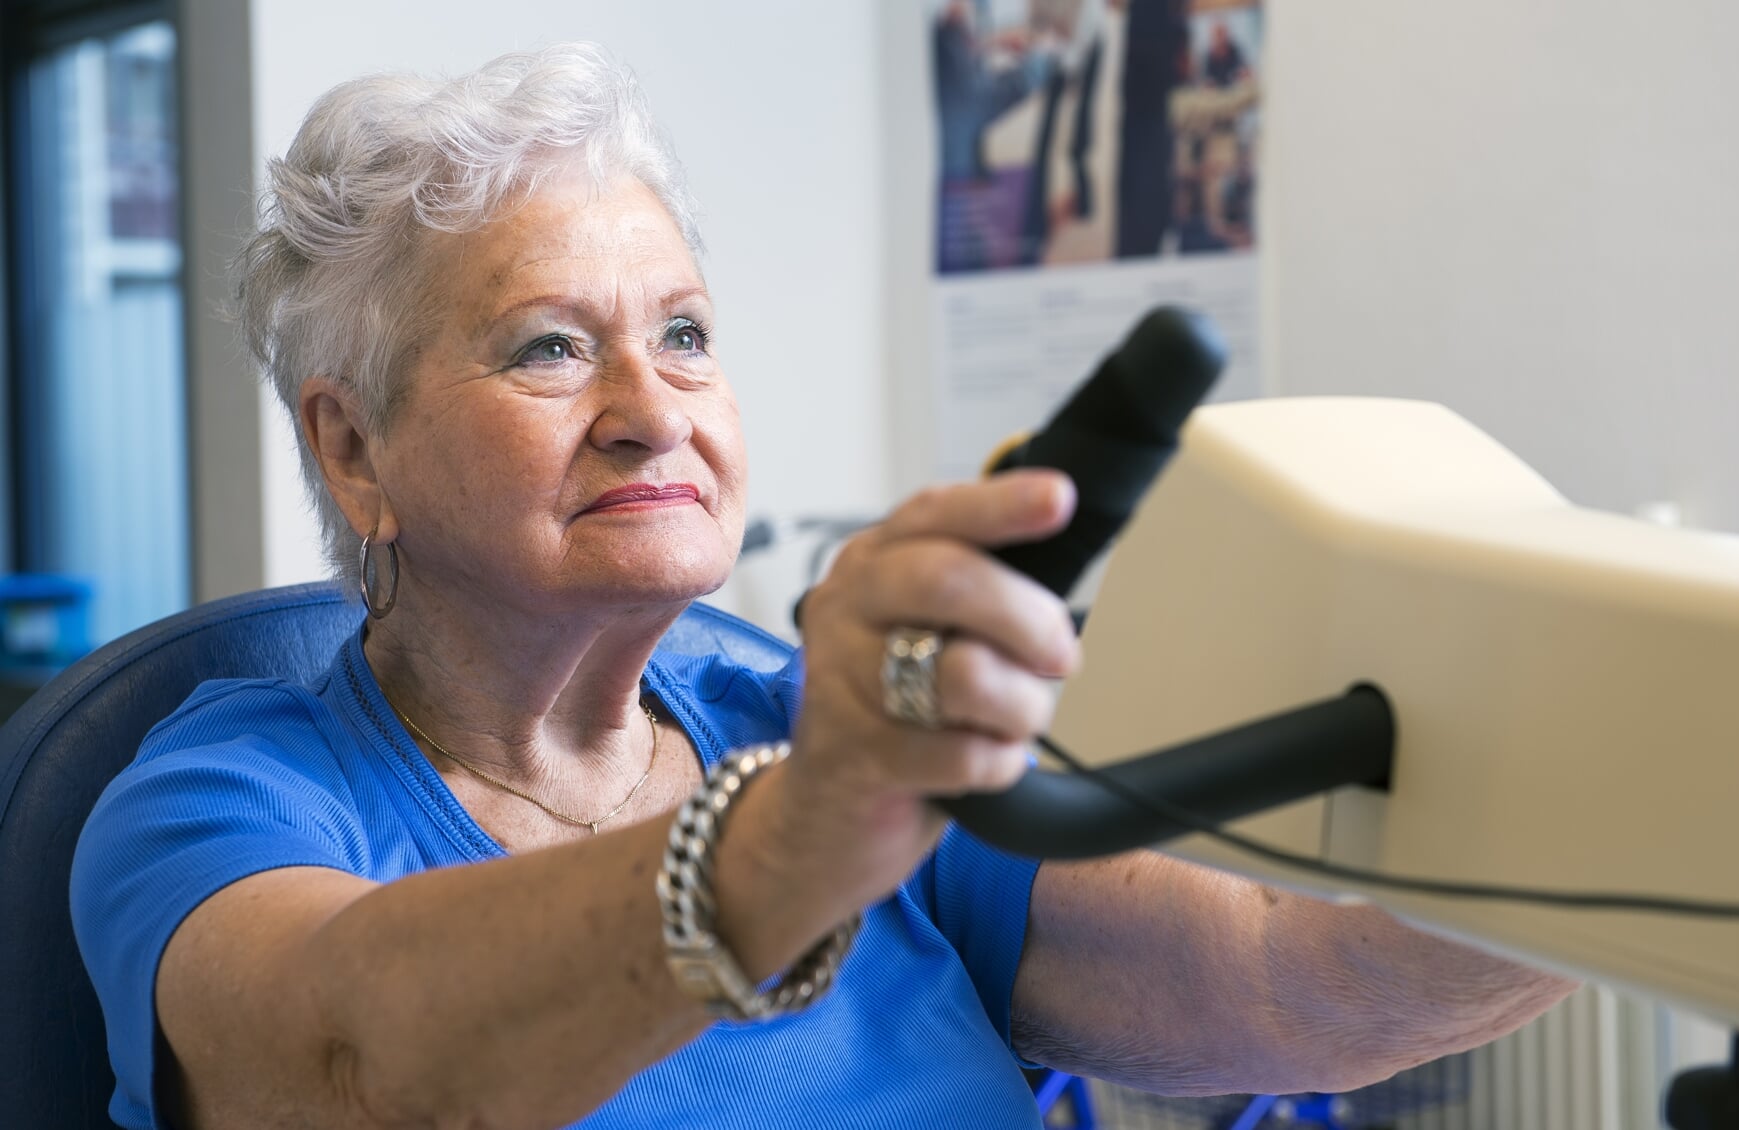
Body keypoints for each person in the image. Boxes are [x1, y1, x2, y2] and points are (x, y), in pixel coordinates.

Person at [70, 44, 1574, 1130]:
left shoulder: (798, 720)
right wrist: (808, 823)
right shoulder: (219, 794)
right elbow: (363, 1071)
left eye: (685, 334)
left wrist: (1630, 819)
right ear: (354, 449)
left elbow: (1293, 981)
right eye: (548, 345)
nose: (653, 407)